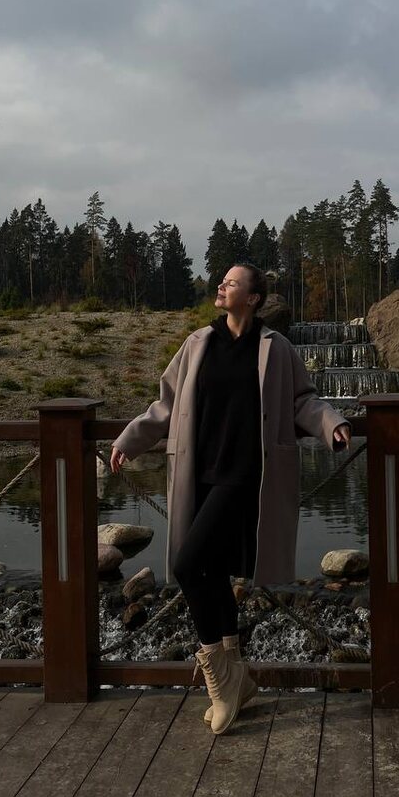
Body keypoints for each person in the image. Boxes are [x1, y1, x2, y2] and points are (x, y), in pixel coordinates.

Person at [110, 264, 351, 735]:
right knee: (209, 570)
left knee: (186, 564)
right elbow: (166, 404)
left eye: (232, 282)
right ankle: (236, 674)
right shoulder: (198, 343)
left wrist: (332, 424)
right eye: (222, 281)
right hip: (198, 473)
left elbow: (302, 400)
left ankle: (220, 683)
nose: (221, 286)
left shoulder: (276, 348)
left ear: (254, 298)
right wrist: (129, 439)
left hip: (245, 477)